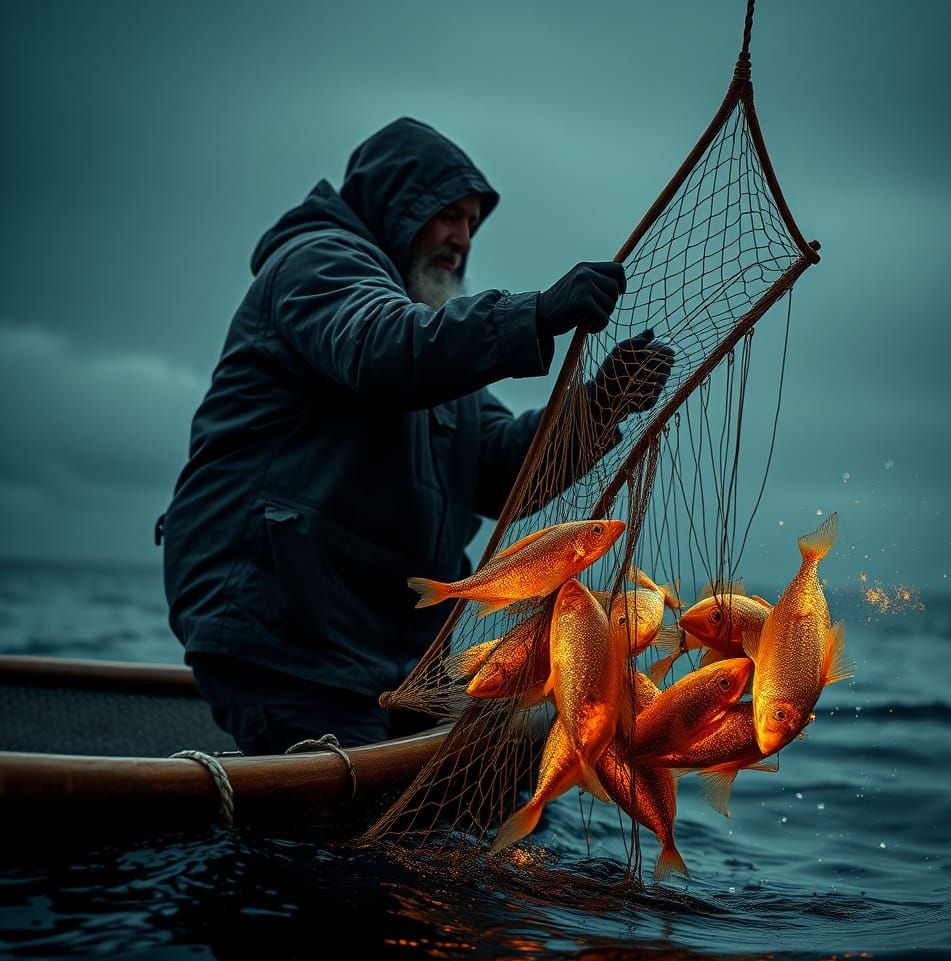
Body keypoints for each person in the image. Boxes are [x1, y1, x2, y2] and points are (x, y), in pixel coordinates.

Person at [159, 117, 672, 755]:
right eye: (448, 214)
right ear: (393, 205)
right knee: (338, 817)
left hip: (391, 656)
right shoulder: (318, 263)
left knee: (485, 775)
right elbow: (378, 348)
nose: (462, 238)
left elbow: (498, 468)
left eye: (472, 223)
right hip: (289, 635)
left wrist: (600, 406)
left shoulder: (429, 335)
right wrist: (534, 316)